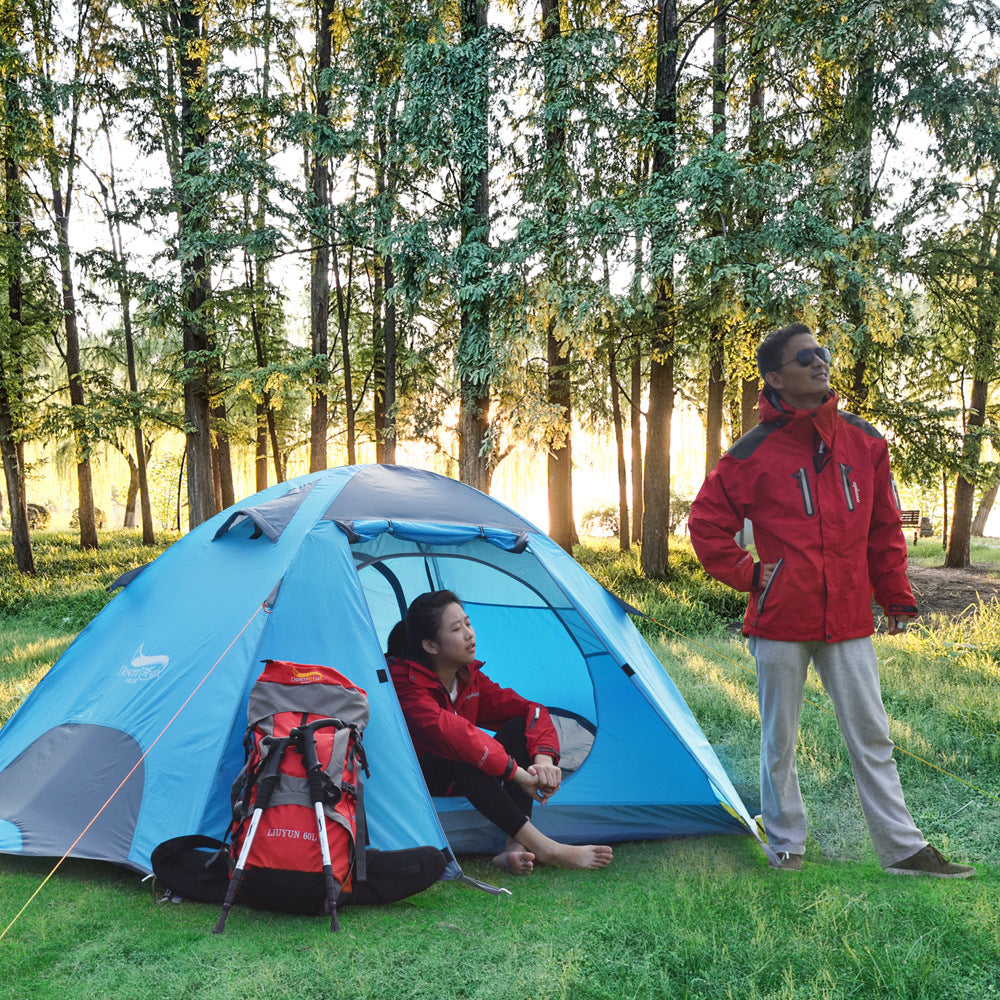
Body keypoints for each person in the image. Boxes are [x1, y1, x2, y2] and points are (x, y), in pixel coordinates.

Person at [687, 323, 975, 878]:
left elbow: (885, 527)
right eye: (804, 358)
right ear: (775, 377)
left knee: (872, 735)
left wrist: (895, 594)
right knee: (780, 741)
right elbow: (705, 525)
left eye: (821, 352)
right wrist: (751, 575)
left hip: (847, 619)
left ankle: (903, 850)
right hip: (780, 619)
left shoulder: (866, 442)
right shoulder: (751, 452)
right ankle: (786, 846)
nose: (820, 362)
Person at [388, 590, 613, 874]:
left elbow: (531, 710)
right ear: (430, 645)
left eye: (468, 623)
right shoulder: (406, 687)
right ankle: (545, 847)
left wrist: (543, 761)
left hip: (467, 775)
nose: (469, 634)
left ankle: (514, 847)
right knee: (462, 753)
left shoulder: (467, 678)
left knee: (518, 728)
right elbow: (455, 734)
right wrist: (518, 774)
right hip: (419, 782)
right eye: (457, 629)